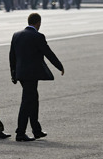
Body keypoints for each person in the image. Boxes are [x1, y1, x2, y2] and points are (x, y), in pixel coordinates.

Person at [9, 13, 64, 142]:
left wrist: (13, 74)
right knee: (27, 102)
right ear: (38, 23)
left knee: (33, 99)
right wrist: (59, 66)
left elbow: (12, 56)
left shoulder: (16, 35)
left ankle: (36, 130)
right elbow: (48, 53)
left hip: (21, 74)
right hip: (31, 74)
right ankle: (20, 132)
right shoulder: (38, 36)